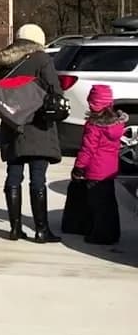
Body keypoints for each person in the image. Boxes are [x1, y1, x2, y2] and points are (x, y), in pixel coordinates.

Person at [0, 23, 62, 244]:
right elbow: (55, 91)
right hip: (37, 125)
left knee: (13, 176)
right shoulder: (42, 60)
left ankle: (15, 228)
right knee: (38, 178)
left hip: (13, 124)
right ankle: (41, 230)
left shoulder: (5, 61)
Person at [63, 84, 126, 246]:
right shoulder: (117, 123)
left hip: (95, 170)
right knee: (109, 203)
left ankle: (100, 235)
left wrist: (78, 168)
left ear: (93, 103)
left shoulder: (94, 126)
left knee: (97, 204)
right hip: (110, 170)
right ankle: (112, 233)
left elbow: (87, 149)